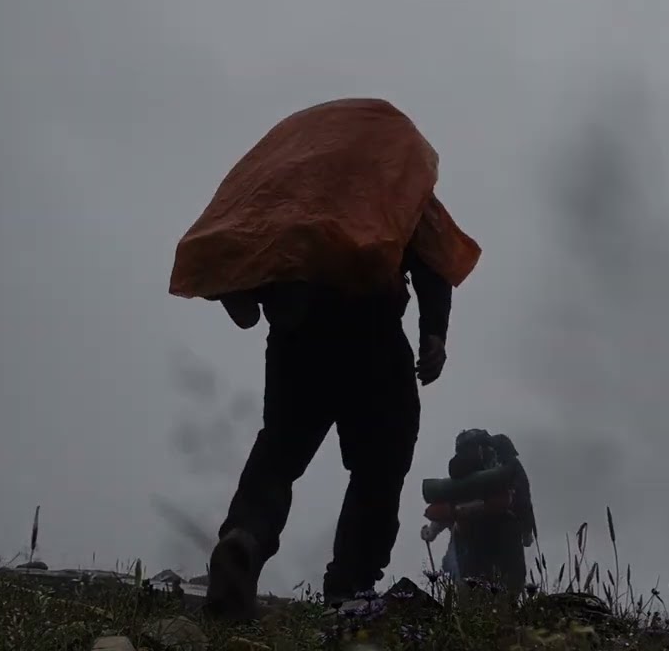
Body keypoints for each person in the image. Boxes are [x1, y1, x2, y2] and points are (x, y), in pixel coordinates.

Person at [204, 246, 453, 621]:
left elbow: (245, 230)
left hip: (297, 335)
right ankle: (349, 592)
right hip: (373, 330)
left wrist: (243, 293)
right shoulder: (393, 184)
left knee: (279, 454)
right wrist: (434, 329)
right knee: (380, 467)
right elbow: (431, 245)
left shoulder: (281, 184)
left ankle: (245, 537)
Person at [421, 430, 536, 595]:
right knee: (507, 590)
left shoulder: (466, 475)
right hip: (500, 537)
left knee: (472, 592)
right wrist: (527, 530)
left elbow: (450, 502)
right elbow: (522, 500)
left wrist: (432, 531)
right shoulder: (503, 470)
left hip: (469, 539)